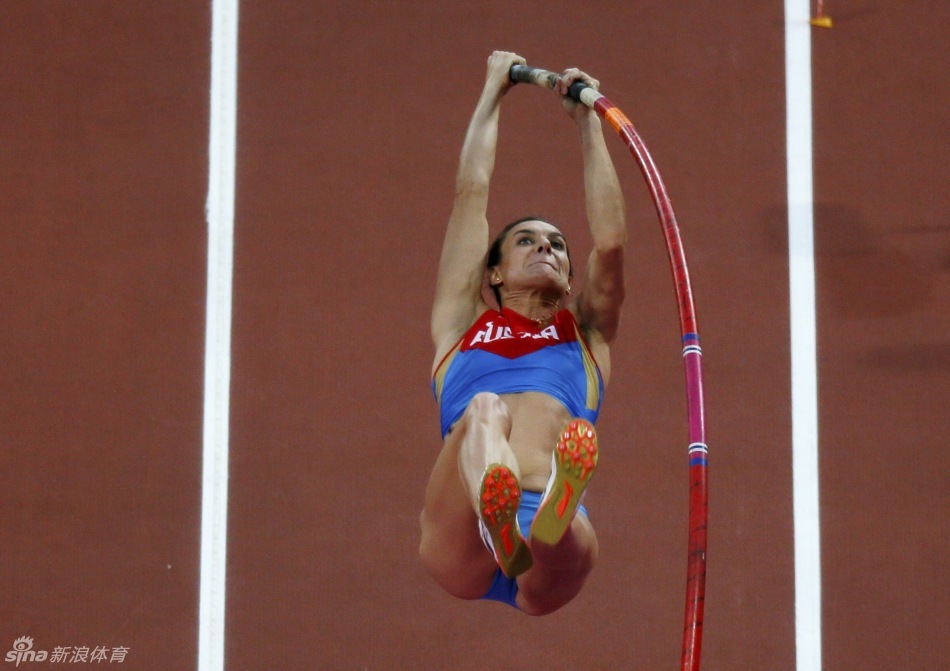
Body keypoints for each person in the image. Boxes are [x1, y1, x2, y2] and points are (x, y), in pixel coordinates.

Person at [419, 51, 627, 616]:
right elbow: (471, 192)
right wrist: (493, 88)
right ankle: (499, 520)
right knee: (484, 409)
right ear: (493, 272)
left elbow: (609, 243)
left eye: (558, 245)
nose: (546, 247)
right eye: (527, 241)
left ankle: (553, 512)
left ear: (568, 275)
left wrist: (589, 127)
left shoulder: (585, 337)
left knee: (571, 541)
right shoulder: (460, 328)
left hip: (543, 537)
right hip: (462, 527)